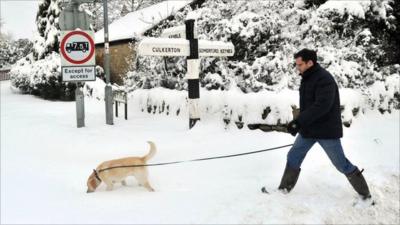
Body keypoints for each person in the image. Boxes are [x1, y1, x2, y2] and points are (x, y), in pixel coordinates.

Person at [262, 49, 371, 200]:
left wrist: (299, 121)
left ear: (310, 63)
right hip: (309, 130)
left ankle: (366, 195)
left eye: (299, 64)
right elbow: (309, 106)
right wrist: (300, 125)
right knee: (293, 155)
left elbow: (321, 106)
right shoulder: (307, 77)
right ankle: (284, 190)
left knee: (341, 164)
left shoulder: (324, 79)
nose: (297, 68)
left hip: (326, 131)